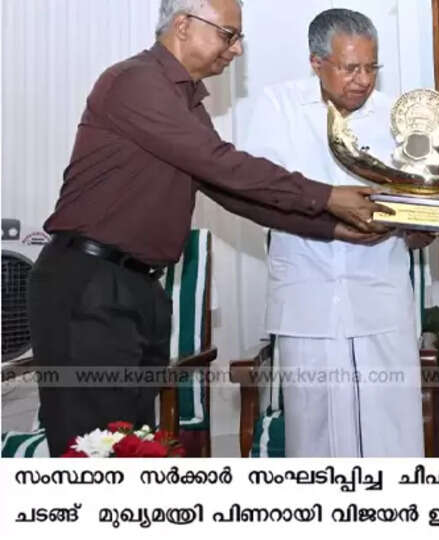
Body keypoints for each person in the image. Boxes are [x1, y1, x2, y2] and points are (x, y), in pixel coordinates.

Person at [29, 0, 392, 457]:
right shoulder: (135, 81)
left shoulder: (184, 100)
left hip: (136, 290)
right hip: (90, 288)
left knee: (129, 448)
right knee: (91, 455)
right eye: (229, 35)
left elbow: (232, 192)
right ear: (183, 25)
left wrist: (333, 227)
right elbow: (223, 166)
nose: (237, 50)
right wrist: (328, 196)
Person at [239, 9, 432, 457]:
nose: (363, 80)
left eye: (371, 67)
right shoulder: (278, 106)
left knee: (393, 431)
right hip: (307, 298)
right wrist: (330, 221)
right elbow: (260, 193)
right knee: (316, 434)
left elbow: (420, 203)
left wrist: (422, 224)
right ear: (315, 62)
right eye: (350, 68)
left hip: (380, 298)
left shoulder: (398, 115)